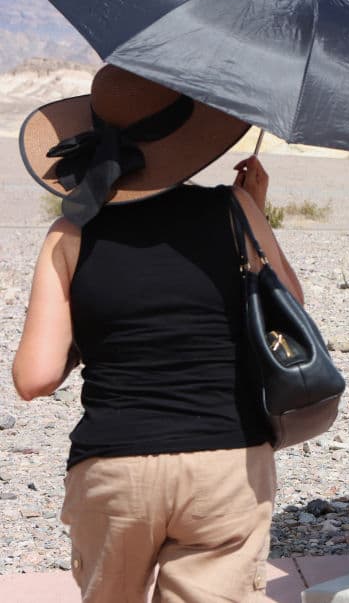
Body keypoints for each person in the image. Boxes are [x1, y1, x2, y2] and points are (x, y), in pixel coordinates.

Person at [11, 64, 302, 602]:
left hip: (114, 467)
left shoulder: (71, 231)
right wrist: (252, 217)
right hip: (227, 462)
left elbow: (35, 378)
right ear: (187, 138)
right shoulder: (233, 209)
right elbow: (291, 309)